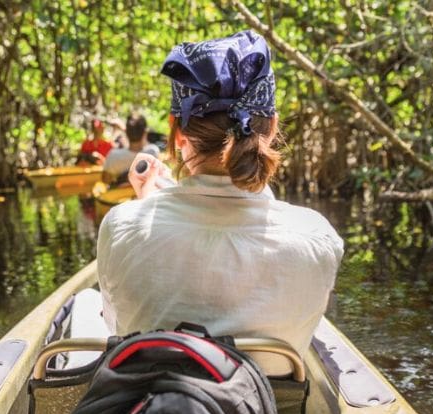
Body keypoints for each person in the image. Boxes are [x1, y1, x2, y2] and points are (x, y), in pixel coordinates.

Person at [96, 30, 344, 375]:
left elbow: (117, 326)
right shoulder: (318, 236)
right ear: (271, 127)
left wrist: (144, 207)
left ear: (177, 131)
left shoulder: (122, 225)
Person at [100, 113, 161, 185]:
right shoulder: (152, 152)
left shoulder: (113, 155)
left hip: (120, 195)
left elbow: (105, 180)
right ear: (145, 133)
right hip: (144, 195)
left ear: (126, 132)